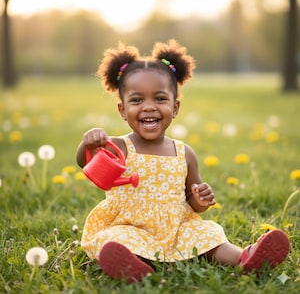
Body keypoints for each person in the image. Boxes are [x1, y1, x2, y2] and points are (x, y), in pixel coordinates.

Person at [76, 39, 290, 283]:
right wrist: (89, 143)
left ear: (175, 107)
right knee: (114, 239)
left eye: (159, 99)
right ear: (122, 110)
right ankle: (134, 266)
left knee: (207, 235)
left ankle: (246, 257)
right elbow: (85, 162)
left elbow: (193, 201)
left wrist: (200, 199)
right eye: (136, 100)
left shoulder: (184, 152)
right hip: (131, 227)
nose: (148, 107)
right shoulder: (120, 146)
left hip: (178, 229)